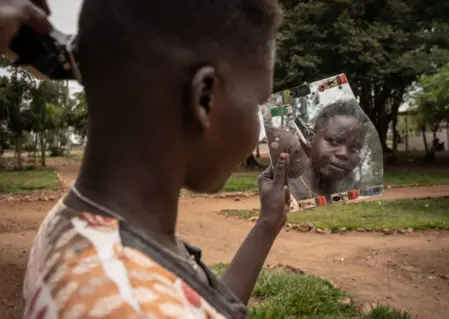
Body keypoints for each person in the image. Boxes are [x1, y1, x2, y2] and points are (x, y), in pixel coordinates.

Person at [1, 0, 290, 318]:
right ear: (204, 98)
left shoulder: (84, 224)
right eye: (257, 103)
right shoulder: (128, 305)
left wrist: (267, 224)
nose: (254, 129)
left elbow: (190, 304)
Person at [266, 99, 368, 201]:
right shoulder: (284, 195)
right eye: (333, 141)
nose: (344, 154)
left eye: (355, 148)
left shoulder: (351, 197)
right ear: (311, 140)